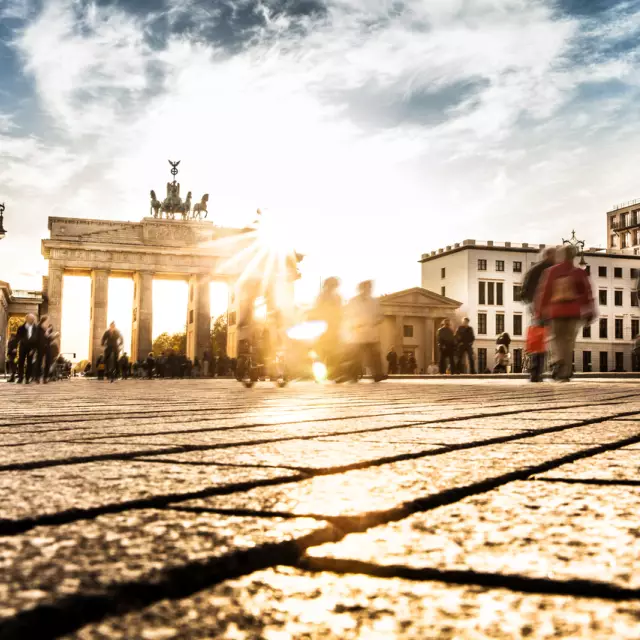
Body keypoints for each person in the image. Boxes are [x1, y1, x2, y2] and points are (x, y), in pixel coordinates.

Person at [537, 244, 595, 382]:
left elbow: (545, 293)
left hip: (556, 312)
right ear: (573, 256)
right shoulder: (579, 272)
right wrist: (590, 310)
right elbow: (587, 292)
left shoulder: (552, 271)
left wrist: (540, 312)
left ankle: (558, 360)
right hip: (574, 311)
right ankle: (565, 372)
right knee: (569, 341)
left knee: (556, 338)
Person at [345, 280, 385, 382]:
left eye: (369, 287)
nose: (368, 289)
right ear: (361, 288)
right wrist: (353, 325)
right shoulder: (353, 301)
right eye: (366, 287)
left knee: (375, 355)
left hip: (371, 333)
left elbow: (380, 315)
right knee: (356, 356)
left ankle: (378, 375)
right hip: (357, 334)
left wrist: (376, 321)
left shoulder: (374, 301)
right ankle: (353, 375)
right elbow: (348, 315)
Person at [310, 277, 344, 380]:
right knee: (321, 352)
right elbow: (317, 310)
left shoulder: (337, 297)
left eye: (335, 285)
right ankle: (319, 375)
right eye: (332, 285)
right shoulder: (321, 297)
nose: (333, 287)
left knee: (333, 352)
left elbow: (340, 312)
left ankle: (333, 374)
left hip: (333, 328)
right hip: (322, 328)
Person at [15, 313, 39, 384]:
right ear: (27, 319)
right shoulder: (21, 328)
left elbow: (37, 340)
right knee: (21, 362)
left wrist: (34, 349)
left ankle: (28, 378)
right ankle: (20, 378)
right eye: (31, 319)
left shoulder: (36, 328)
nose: (32, 320)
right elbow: (17, 338)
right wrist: (16, 346)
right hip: (22, 347)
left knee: (29, 363)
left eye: (33, 319)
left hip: (31, 348)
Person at [35, 315, 55, 383]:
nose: (48, 322)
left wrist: (52, 336)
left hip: (48, 346)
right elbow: (37, 338)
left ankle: (45, 377)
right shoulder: (38, 327)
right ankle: (37, 377)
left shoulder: (49, 328)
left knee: (48, 361)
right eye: (47, 320)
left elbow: (50, 339)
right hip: (40, 346)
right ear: (44, 320)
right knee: (39, 362)